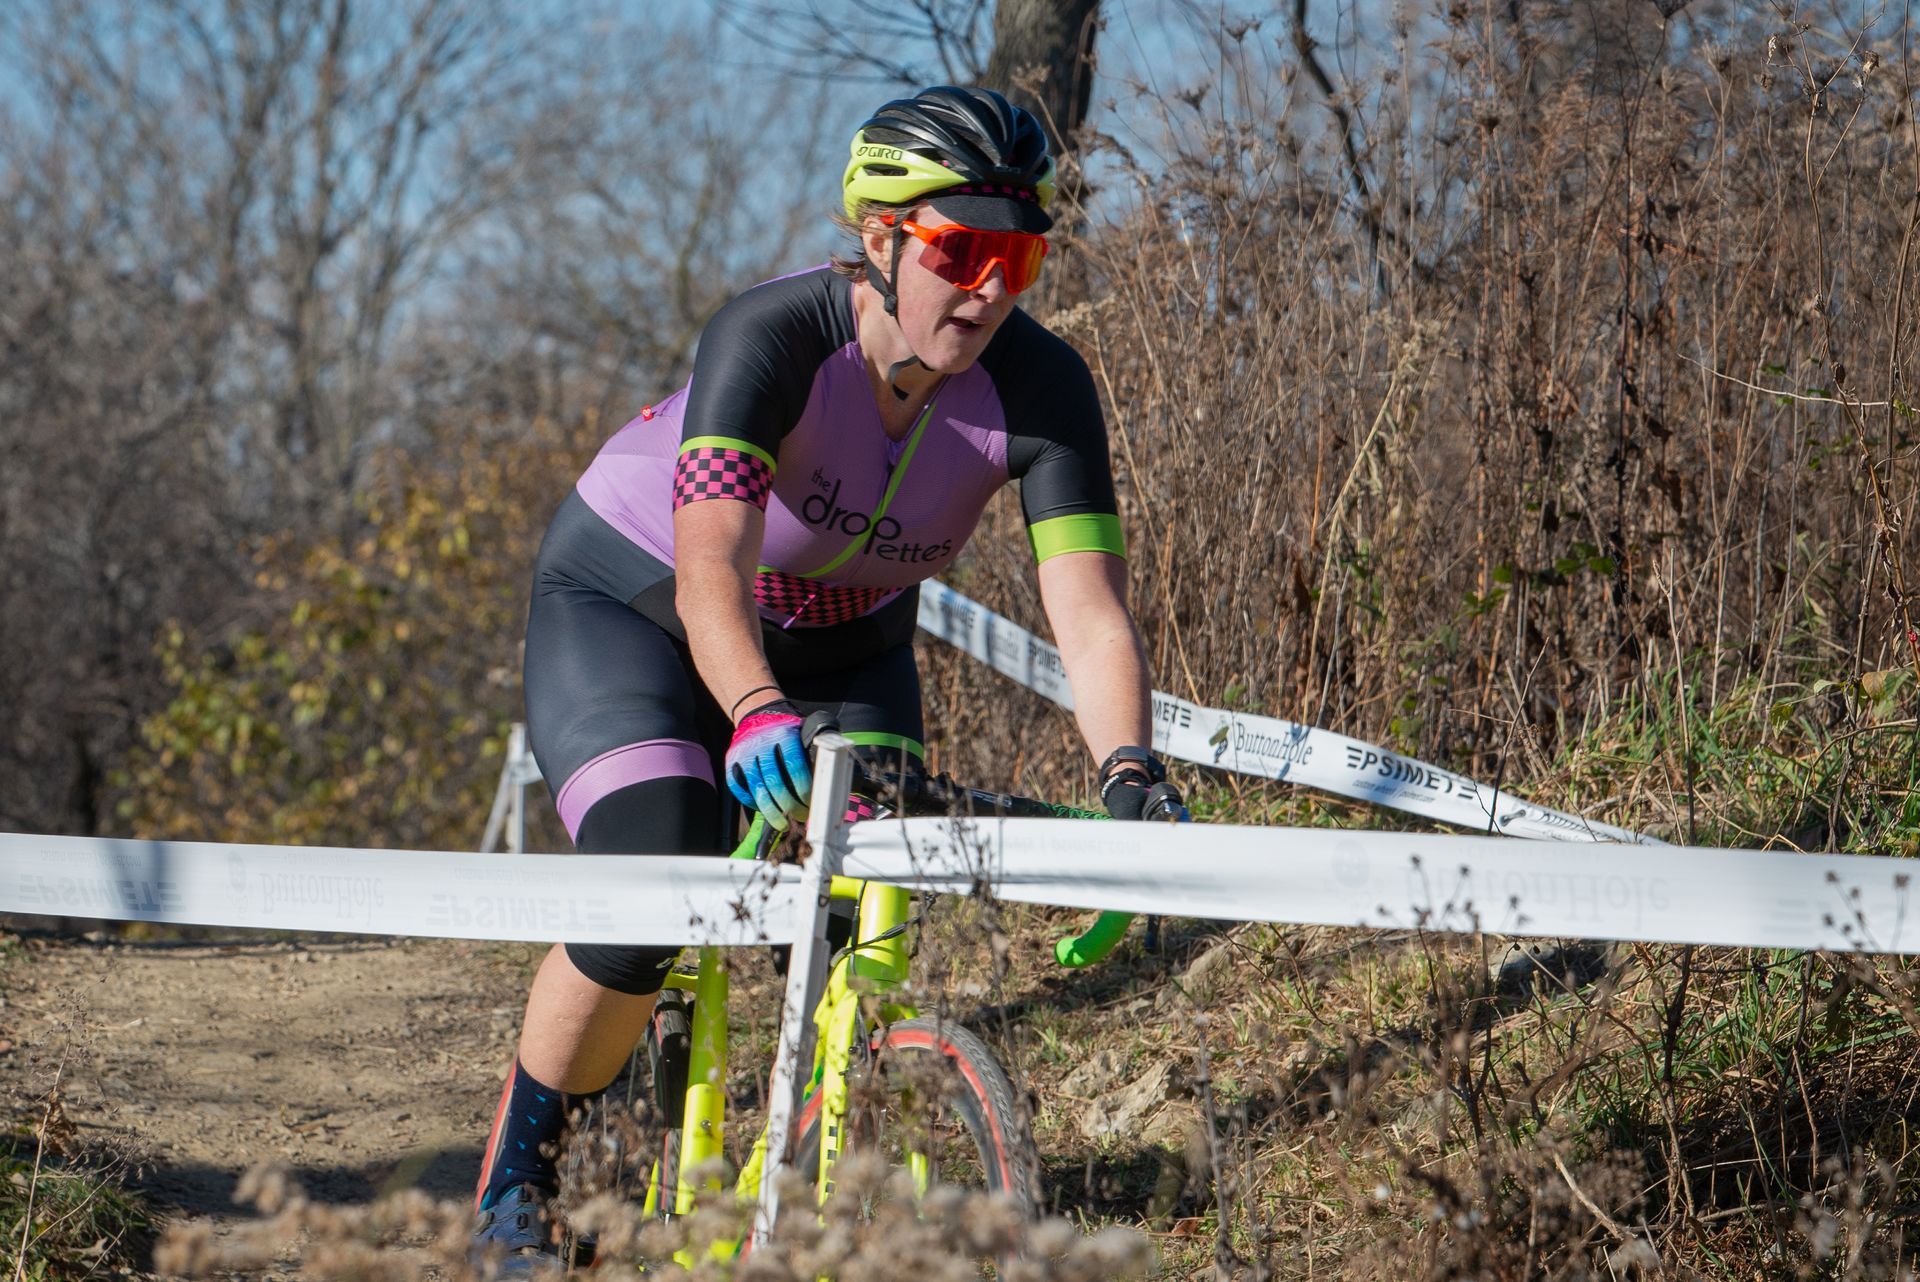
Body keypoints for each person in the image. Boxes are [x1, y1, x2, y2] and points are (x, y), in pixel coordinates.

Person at [471, 85, 1186, 1269]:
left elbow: (1089, 611)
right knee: (657, 857)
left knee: (873, 890)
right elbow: (710, 568)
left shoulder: (1046, 390)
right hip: (637, 604)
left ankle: (809, 1156)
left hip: (847, 640)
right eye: (961, 251)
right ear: (882, 237)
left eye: (1020, 256)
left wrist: (1128, 774)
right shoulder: (773, 337)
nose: (992, 287)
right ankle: (517, 1190)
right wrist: (753, 710)